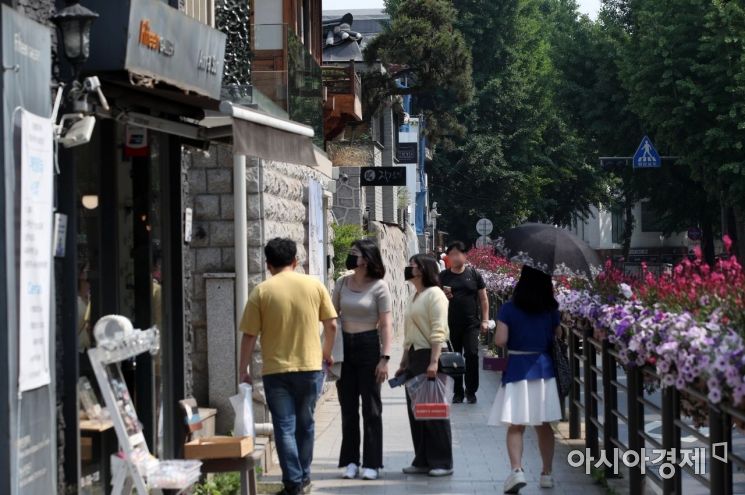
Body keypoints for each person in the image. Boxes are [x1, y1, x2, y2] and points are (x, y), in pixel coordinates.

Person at [238, 238, 338, 495]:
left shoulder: (262, 291)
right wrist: (326, 353)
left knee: (284, 426)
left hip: (276, 370)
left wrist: (243, 370)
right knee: (306, 424)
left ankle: (293, 482)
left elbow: (249, 335)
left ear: (268, 264)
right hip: (310, 368)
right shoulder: (314, 286)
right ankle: (302, 478)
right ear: (295, 261)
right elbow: (332, 325)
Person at [487, 265, 562, 493]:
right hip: (544, 369)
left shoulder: (509, 309)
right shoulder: (551, 309)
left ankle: (517, 470)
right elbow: (557, 336)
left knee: (516, 425)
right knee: (544, 425)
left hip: (518, 369)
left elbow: (500, 340)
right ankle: (547, 473)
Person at [333, 239, 393, 481]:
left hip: (369, 345)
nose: (351, 257)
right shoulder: (341, 283)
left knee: (371, 408)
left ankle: (372, 462)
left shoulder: (380, 287)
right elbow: (331, 315)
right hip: (344, 346)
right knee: (348, 408)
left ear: (366, 259)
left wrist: (385, 358)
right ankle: (350, 461)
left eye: (354, 254)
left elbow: (387, 324)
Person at [395, 254, 454, 477]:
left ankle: (442, 461)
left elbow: (439, 329)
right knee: (417, 412)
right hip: (415, 356)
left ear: (423, 270)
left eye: (413, 265)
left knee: (433, 411)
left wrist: (434, 361)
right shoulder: (416, 295)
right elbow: (410, 332)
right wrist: (404, 360)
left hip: (431, 355)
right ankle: (422, 459)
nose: (409, 268)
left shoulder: (435, 295)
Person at [440, 241, 489, 404]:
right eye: (451, 254)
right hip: (450, 324)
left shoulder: (474, 274)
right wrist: (443, 297)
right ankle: (458, 391)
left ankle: (471, 390)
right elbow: (435, 299)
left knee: (472, 355)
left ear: (464, 255)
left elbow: (483, 299)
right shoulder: (443, 276)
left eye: (457, 253)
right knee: (454, 357)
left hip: (471, 324)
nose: (454, 257)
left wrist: (485, 320)